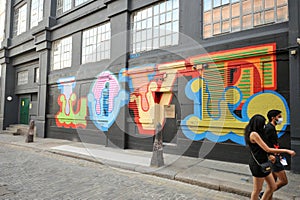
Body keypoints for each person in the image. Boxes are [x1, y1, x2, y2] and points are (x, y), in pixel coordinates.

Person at [244, 114, 296, 200]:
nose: (264, 126)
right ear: (258, 124)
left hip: (264, 162)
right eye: (263, 124)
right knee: (257, 189)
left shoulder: (258, 133)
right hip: (258, 164)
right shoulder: (254, 134)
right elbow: (267, 149)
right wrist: (286, 151)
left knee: (272, 186)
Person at [258, 110, 288, 199]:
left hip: (275, 156)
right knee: (283, 181)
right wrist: (269, 154)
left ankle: (266, 196)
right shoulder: (269, 128)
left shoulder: (271, 127)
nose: (281, 119)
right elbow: (262, 143)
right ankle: (263, 194)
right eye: (279, 117)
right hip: (273, 158)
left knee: (272, 182)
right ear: (273, 118)